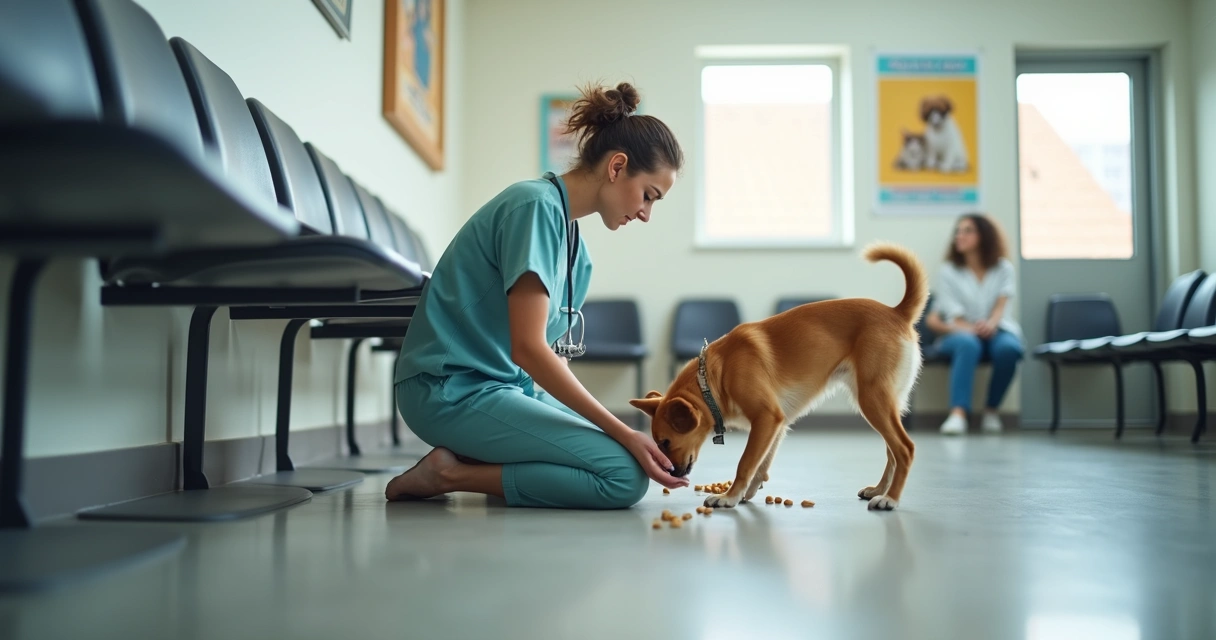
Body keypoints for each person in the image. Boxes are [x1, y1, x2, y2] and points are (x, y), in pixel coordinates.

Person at [386, 82, 689, 508]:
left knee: (624, 456)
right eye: (648, 196)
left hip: (508, 389)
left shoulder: (576, 251)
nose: (645, 214)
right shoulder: (533, 207)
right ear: (617, 167)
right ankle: (448, 474)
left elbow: (552, 356)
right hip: (448, 389)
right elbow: (529, 349)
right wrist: (622, 431)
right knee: (623, 476)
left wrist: (615, 431)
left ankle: (483, 458)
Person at [925, 213, 1025, 435]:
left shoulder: (1004, 268)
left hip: (997, 328)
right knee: (968, 344)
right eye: (958, 231)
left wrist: (991, 325)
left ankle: (991, 411)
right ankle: (958, 413)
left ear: (984, 236)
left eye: (967, 231)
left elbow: (1001, 305)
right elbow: (954, 317)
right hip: (959, 332)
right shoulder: (948, 271)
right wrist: (973, 330)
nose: (959, 236)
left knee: (1010, 349)